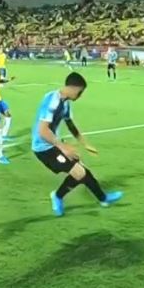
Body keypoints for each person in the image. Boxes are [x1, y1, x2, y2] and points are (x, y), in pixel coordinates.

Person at [31, 72, 122, 216]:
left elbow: (71, 125)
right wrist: (63, 147)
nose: (80, 96)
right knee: (79, 172)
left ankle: (103, 199)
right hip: (44, 148)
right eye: (80, 92)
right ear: (73, 88)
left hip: (53, 144)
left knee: (82, 170)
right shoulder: (52, 100)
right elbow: (42, 131)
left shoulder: (65, 104)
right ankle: (58, 196)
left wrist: (85, 144)